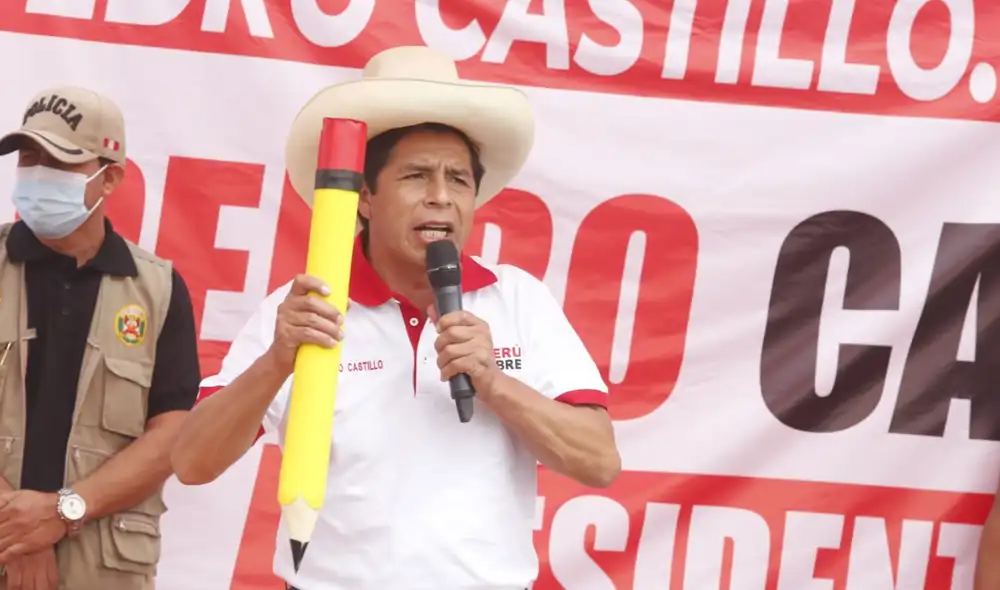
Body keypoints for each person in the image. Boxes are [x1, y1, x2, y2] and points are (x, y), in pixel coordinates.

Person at [170, 46, 621, 590]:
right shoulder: (304, 309)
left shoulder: (517, 299)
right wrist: (275, 362)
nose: (440, 198)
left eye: (458, 179)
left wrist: (495, 383)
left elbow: (599, 462)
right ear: (363, 195)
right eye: (416, 176)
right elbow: (193, 463)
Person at [0, 87, 201, 590]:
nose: (37, 172)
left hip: (102, 567)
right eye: (29, 157)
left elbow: (171, 434)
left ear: (109, 176)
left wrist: (63, 513)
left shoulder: (157, 289)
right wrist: (18, 532)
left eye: (60, 162)